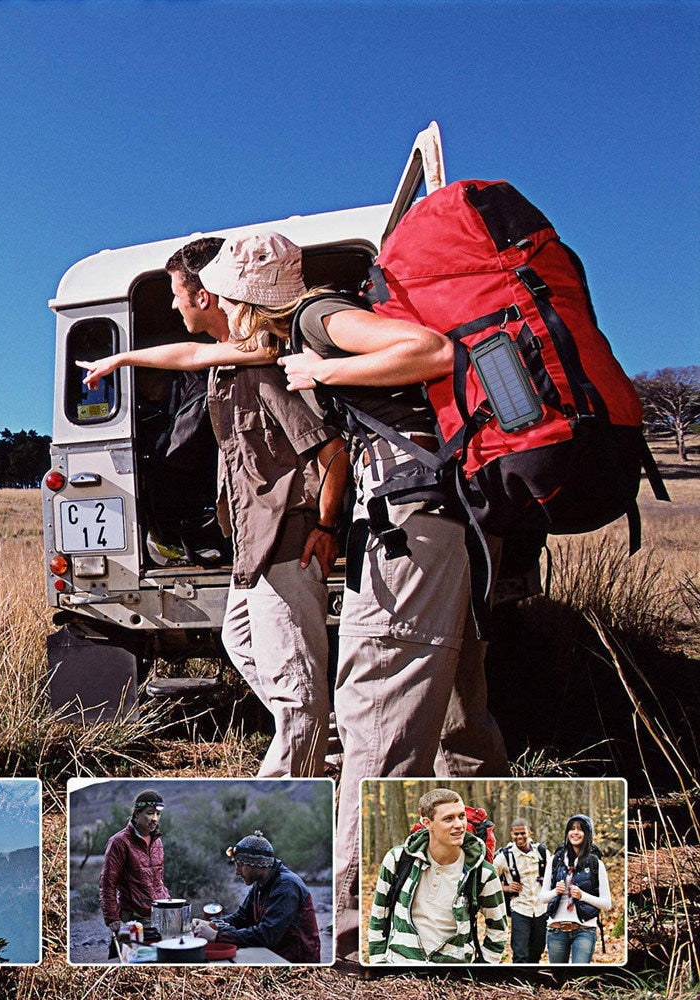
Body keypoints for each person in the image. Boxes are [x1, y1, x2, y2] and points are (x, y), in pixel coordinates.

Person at [190, 232, 510, 959]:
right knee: (462, 723)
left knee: (371, 712)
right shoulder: (300, 328)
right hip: (436, 523)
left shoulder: (314, 317)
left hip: (407, 523)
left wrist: (323, 365)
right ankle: (483, 901)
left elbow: (431, 352)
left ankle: (354, 930)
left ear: (244, 295)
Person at [79, 234, 347, 778]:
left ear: (206, 295)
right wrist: (120, 358)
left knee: (294, 687)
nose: (174, 304)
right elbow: (190, 357)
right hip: (255, 542)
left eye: (178, 293)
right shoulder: (228, 363)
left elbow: (333, 451)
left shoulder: (262, 365)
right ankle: (327, 737)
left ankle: (286, 789)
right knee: (240, 639)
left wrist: (326, 524)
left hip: (286, 538)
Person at [366, 788, 507, 964]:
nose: (459, 825)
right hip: (399, 969)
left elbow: (498, 928)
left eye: (461, 816)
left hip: (454, 975)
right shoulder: (398, 859)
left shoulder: (482, 872)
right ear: (428, 823)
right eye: (449, 818)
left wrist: (482, 970)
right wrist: (379, 964)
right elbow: (379, 916)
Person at [191, 831, 321, 963]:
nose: (237, 872)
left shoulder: (286, 886)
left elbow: (266, 935)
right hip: (274, 954)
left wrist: (217, 936)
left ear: (257, 864)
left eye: (241, 865)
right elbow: (241, 917)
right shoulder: (261, 883)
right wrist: (211, 924)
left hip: (295, 962)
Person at [99, 789, 170, 946]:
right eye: (150, 813)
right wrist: (112, 917)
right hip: (133, 917)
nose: (155, 819)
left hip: (158, 914)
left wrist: (167, 901)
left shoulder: (156, 841)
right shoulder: (119, 842)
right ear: (137, 814)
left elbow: (158, 879)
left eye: (158, 814)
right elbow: (107, 882)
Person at [539, 813, 611, 964]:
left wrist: (583, 896)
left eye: (580, 829)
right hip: (556, 929)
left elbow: (607, 904)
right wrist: (555, 892)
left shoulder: (595, 863)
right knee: (557, 977)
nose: (575, 833)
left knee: (580, 975)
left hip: (585, 930)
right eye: (572, 829)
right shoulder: (555, 860)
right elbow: (542, 898)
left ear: (587, 834)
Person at [494, 816, 549, 963]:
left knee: (537, 950)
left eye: (523, 833)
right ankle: (519, 983)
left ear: (529, 832)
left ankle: (533, 981)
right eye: (516, 834)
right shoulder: (504, 857)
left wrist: (547, 881)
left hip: (541, 908)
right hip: (520, 909)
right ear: (511, 834)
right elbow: (488, 880)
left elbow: (554, 875)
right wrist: (506, 888)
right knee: (520, 952)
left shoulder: (542, 852)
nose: (520, 837)